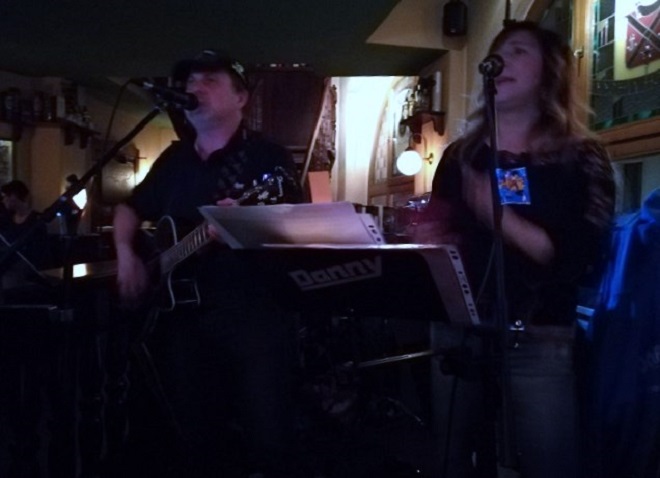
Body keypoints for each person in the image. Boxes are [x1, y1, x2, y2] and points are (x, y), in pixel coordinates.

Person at [415, 21, 615, 478]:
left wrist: (499, 217)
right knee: (449, 460)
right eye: (498, 51)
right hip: (460, 331)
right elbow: (440, 232)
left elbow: (579, 258)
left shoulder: (582, 157)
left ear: (550, 72)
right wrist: (430, 235)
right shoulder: (461, 155)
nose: (501, 60)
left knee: (552, 462)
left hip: (539, 336)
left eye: (519, 51)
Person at [112, 50, 304, 477]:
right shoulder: (173, 160)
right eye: (190, 82)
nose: (195, 88)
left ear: (241, 98)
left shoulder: (266, 158)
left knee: (268, 435)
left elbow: (293, 223)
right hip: (181, 320)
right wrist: (127, 256)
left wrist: (244, 221)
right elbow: (128, 209)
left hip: (252, 315)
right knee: (194, 433)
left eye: (210, 81)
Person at [0, 179, 50, 290]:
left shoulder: (37, 220)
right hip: (8, 264)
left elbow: (40, 251)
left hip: (26, 267)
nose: (3, 200)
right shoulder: (7, 218)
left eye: (5, 197)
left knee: (9, 279)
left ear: (14, 196)